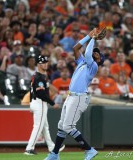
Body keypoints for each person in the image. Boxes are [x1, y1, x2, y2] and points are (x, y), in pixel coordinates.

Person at [45, 28, 105, 160]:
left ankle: (89, 150)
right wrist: (88, 37)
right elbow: (76, 48)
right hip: (71, 96)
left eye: (98, 54)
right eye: (95, 52)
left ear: (100, 60)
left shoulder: (93, 66)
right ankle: (55, 154)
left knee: (68, 126)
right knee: (62, 125)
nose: (96, 53)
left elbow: (88, 54)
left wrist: (93, 38)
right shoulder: (82, 61)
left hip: (79, 97)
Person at [25, 55, 65, 155]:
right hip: (40, 103)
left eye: (46, 62)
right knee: (38, 126)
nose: (45, 64)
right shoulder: (39, 76)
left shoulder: (37, 75)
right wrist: (53, 103)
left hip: (36, 102)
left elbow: (32, 91)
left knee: (45, 127)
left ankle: (52, 147)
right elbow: (40, 93)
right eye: (43, 62)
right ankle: (29, 148)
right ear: (38, 64)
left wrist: (31, 104)